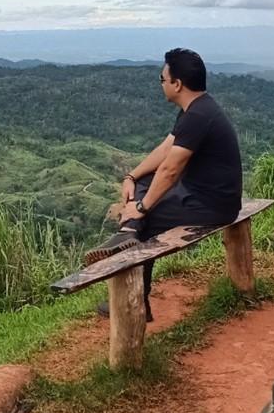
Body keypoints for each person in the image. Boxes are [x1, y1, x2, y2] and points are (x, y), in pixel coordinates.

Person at [84, 47, 242, 322]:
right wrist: (132, 176)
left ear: (177, 84)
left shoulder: (198, 116)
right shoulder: (196, 108)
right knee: (145, 182)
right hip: (202, 194)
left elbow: (170, 170)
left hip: (212, 206)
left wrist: (142, 207)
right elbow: (165, 149)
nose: (161, 84)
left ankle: (136, 301)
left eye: (162, 78)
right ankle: (129, 231)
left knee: (147, 220)